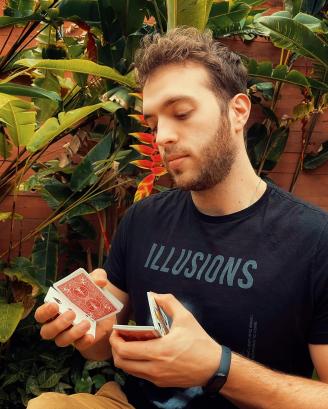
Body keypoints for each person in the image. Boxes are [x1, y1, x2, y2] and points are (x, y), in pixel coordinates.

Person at [28, 27, 328, 409]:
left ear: (238, 111)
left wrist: (220, 369)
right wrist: (91, 331)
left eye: (181, 113)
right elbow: (101, 345)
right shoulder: (142, 220)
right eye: (153, 124)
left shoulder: (315, 241)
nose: (162, 137)